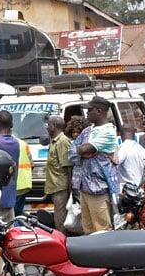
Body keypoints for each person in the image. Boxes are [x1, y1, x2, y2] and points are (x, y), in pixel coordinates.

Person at [68, 97, 119, 233]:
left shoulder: (108, 132)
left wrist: (83, 151)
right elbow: (71, 152)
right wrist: (84, 152)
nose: (87, 113)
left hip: (98, 189)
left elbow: (82, 149)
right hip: (84, 188)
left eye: (89, 110)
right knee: (88, 229)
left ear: (99, 111)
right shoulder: (87, 130)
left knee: (102, 230)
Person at [44, 115, 72, 233]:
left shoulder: (62, 142)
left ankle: (63, 242)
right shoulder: (54, 141)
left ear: (54, 126)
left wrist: (70, 190)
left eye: (48, 125)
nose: (47, 128)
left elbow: (68, 167)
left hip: (61, 188)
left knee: (60, 221)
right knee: (58, 219)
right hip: (55, 187)